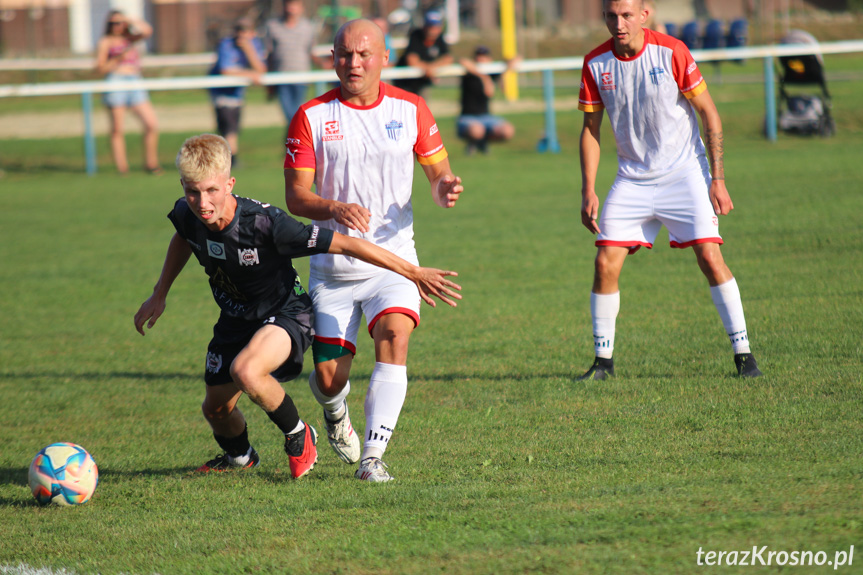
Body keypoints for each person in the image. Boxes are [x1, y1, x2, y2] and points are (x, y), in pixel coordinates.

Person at [133, 133, 461, 480]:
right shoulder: (187, 213)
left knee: (246, 371)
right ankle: (240, 456)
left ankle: (299, 436)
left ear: (230, 184)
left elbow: (347, 244)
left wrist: (412, 271)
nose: (202, 203)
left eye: (212, 191)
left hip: (285, 313)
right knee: (216, 409)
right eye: (193, 191)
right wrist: (159, 293)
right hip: (235, 318)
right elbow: (184, 237)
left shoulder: (265, 224)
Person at [283, 19, 464, 482]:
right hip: (334, 266)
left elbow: (438, 171)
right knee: (329, 380)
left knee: (395, 338)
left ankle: (372, 458)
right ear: (333, 58)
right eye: (344, 54)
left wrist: (444, 186)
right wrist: (333, 207)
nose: (353, 63)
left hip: (395, 261)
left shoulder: (412, 108)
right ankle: (334, 409)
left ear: (385, 57)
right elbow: (296, 197)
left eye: (364, 54)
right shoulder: (311, 116)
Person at [576, 0, 762, 380]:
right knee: (604, 263)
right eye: (611, 16)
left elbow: (709, 112)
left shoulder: (672, 51)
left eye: (626, 15)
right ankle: (602, 364)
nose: (618, 23)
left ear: (646, 14)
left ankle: (744, 356)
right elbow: (591, 129)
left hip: (684, 174)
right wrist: (588, 189)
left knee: (710, 257)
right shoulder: (596, 62)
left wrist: (718, 179)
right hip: (632, 179)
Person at [95, 10, 161, 175]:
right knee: (117, 128)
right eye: (113, 23)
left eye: (119, 23)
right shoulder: (106, 42)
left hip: (134, 80)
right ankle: (122, 168)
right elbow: (100, 67)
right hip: (116, 80)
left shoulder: (130, 39)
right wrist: (117, 59)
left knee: (151, 124)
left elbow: (147, 31)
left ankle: (151, 164)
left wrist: (128, 19)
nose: (116, 26)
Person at [208, 18, 267, 167]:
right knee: (229, 127)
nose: (241, 35)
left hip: (237, 94)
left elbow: (260, 69)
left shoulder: (254, 45)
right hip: (222, 93)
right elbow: (226, 70)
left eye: (245, 31)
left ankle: (227, 160)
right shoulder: (226, 44)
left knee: (233, 128)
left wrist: (248, 50)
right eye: (239, 31)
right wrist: (250, 75)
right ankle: (231, 160)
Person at [264, 0, 327, 127]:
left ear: (301, 8)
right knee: (290, 116)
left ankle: (292, 144)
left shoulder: (307, 27)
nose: (291, 8)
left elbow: (311, 51)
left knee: (295, 116)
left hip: (301, 78)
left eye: (295, 5)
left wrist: (324, 63)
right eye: (288, 4)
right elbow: (269, 54)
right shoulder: (273, 26)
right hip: (280, 77)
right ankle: (293, 143)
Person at [457, 45, 518, 155]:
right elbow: (462, 60)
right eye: (478, 57)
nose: (481, 59)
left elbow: (515, 59)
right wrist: (484, 78)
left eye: (484, 57)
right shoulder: (469, 73)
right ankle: (474, 142)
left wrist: (508, 66)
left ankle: (482, 142)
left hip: (486, 116)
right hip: (467, 117)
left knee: (508, 131)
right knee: (477, 130)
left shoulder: (491, 72)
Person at [394, 10, 453, 95]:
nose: (433, 30)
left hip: (422, 83)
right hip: (405, 83)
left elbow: (448, 58)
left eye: (436, 26)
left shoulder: (440, 38)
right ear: (424, 26)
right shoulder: (416, 35)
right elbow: (412, 61)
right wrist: (428, 68)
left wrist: (431, 68)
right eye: (430, 26)